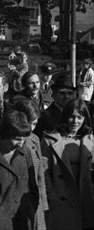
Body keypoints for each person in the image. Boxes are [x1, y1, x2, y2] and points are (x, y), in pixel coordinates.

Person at [41, 99, 94, 230]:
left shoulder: (90, 139)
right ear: (65, 117)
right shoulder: (50, 139)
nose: (75, 122)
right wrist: (51, 195)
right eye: (72, 117)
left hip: (85, 197)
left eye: (79, 117)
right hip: (61, 199)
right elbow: (44, 172)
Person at [12, 99, 48, 229]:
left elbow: (40, 175)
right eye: (29, 124)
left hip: (34, 201)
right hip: (15, 205)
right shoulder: (8, 141)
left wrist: (43, 204)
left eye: (34, 124)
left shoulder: (34, 139)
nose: (31, 129)